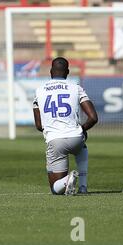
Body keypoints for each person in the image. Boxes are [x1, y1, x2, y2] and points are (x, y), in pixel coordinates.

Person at [33, 57, 98, 195]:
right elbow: (93, 118)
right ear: (67, 72)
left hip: (55, 141)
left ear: (51, 71)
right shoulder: (76, 88)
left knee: (56, 189)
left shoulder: (39, 91)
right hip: (75, 137)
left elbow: (39, 125)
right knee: (82, 143)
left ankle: (68, 179)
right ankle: (83, 186)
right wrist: (82, 129)